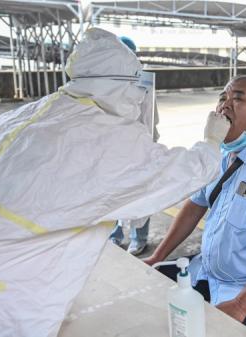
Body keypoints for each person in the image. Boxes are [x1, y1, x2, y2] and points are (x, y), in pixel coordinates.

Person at [0, 28, 231, 336]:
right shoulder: (104, 136)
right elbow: (180, 173)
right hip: (4, 301)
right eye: (136, 85)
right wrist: (212, 143)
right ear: (120, 85)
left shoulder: (28, 115)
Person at [143, 75, 246, 333]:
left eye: (237, 98)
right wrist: (158, 255)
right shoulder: (219, 156)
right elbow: (194, 206)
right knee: (147, 297)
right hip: (205, 272)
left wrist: (242, 305)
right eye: (222, 98)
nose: (225, 105)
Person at [108, 36, 151, 255]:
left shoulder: (144, 79)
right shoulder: (107, 79)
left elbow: (151, 117)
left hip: (138, 146)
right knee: (112, 193)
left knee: (141, 194)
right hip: (113, 148)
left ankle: (139, 237)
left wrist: (147, 144)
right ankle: (114, 234)